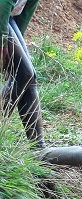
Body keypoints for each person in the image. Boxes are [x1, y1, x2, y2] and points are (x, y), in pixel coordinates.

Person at [1, 0, 44, 147]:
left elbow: (26, 10)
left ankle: (38, 146)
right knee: (25, 73)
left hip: (8, 17)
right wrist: (2, 41)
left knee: (29, 76)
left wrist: (15, 51)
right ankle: (38, 145)